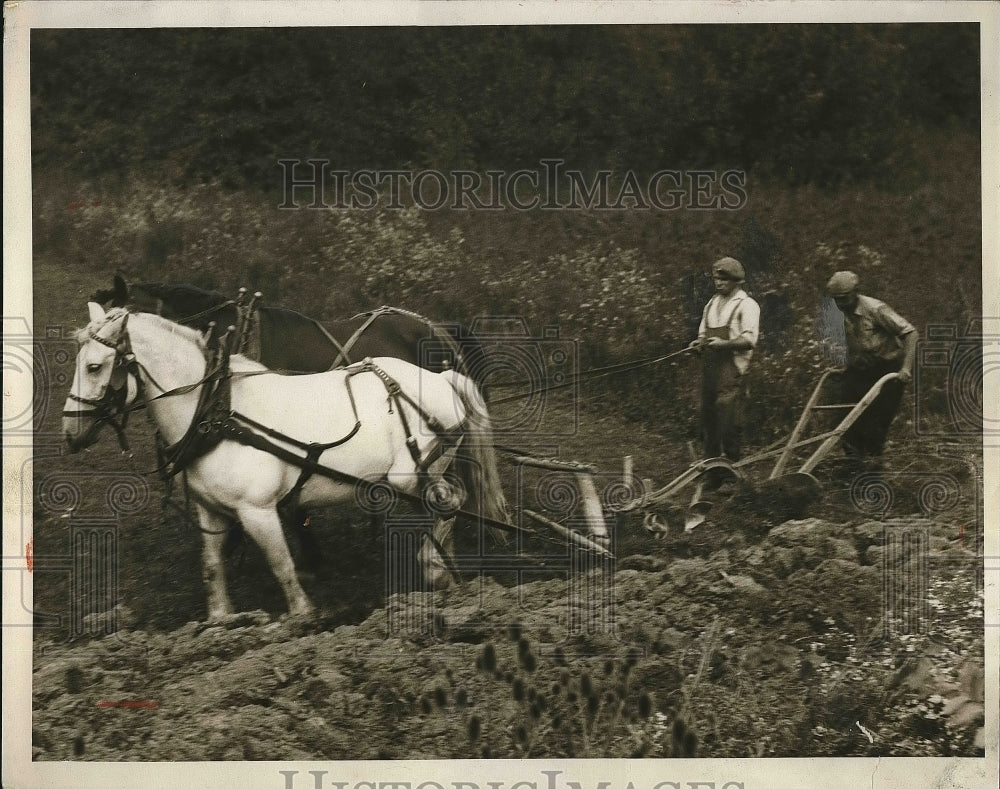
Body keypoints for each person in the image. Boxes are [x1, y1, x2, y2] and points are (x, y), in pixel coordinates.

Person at [825, 270, 917, 460]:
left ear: (855, 292)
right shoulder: (840, 313)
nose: (840, 304)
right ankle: (854, 465)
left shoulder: (875, 309)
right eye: (836, 300)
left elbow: (910, 333)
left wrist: (905, 368)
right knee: (845, 421)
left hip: (887, 370)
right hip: (860, 371)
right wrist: (845, 365)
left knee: (877, 424)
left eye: (844, 298)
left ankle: (874, 470)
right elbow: (854, 341)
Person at [688, 257, 760, 464]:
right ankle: (712, 470)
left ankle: (732, 472)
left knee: (728, 422)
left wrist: (724, 344)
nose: (719, 283)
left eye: (724, 280)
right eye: (716, 279)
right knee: (709, 419)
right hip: (710, 371)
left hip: (732, 372)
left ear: (736, 281)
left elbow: (749, 340)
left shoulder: (747, 305)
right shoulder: (712, 303)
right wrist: (698, 344)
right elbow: (703, 333)